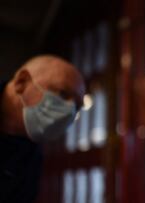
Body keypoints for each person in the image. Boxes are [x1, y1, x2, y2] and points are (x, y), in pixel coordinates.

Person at [0, 55, 85, 202]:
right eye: (63, 93)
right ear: (22, 82)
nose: (70, 110)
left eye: (77, 106)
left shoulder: (32, 157)